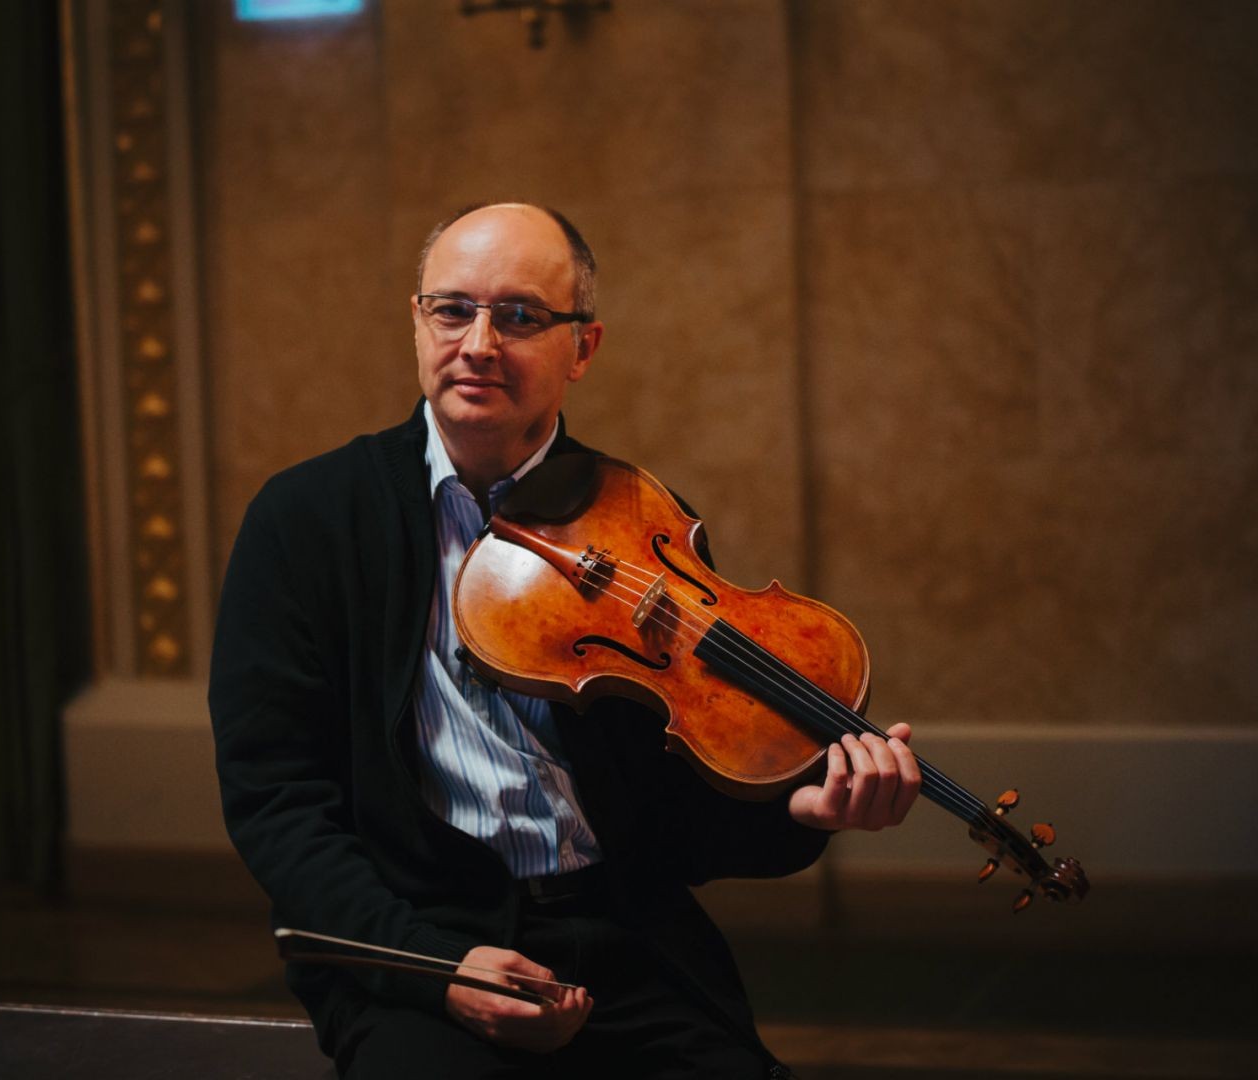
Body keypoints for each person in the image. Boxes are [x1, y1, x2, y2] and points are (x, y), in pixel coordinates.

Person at [209, 202, 921, 1078]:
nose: (478, 344)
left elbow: (676, 818)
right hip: (418, 941)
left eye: (519, 317)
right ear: (417, 322)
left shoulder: (638, 522)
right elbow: (276, 799)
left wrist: (798, 810)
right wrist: (432, 966)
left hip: (619, 937)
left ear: (582, 347)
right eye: (452, 309)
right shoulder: (305, 520)